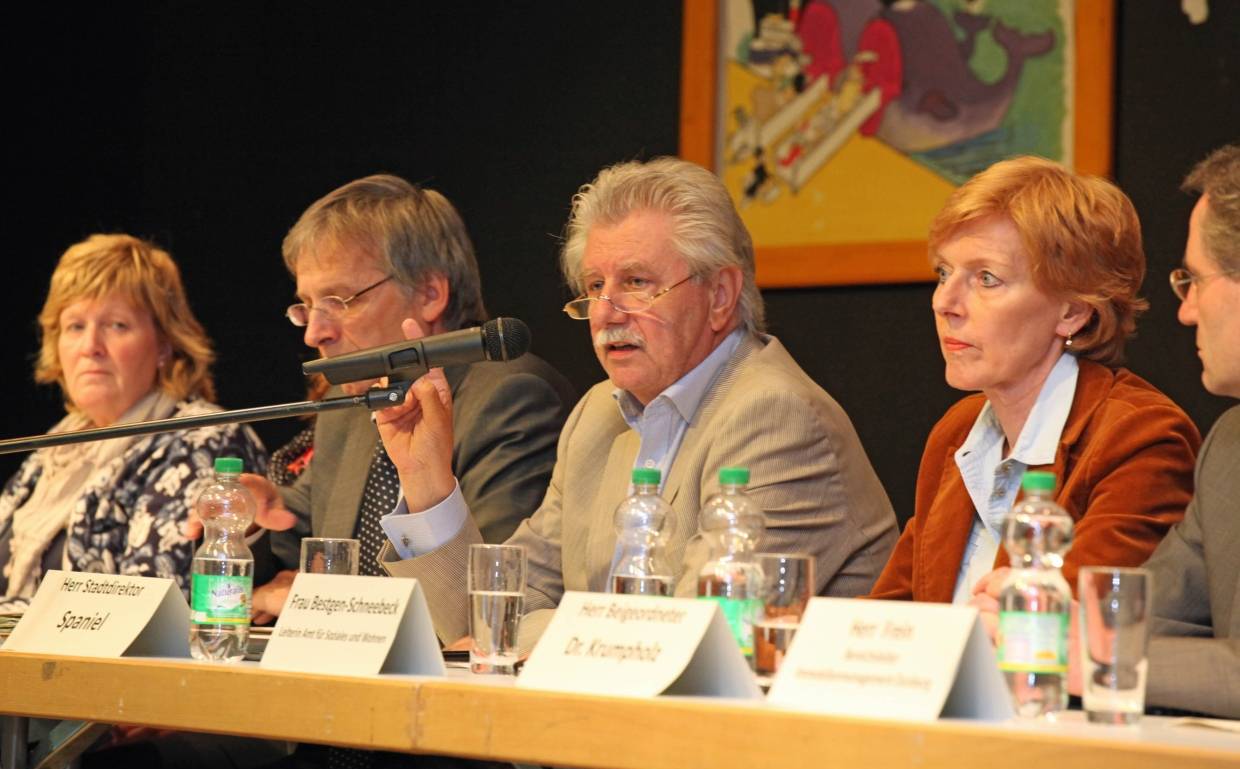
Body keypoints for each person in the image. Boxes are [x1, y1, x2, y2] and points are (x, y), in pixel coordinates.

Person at [373, 156, 900, 650]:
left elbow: (695, 641)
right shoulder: (599, 414)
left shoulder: (776, 417)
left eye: (637, 283)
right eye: (595, 286)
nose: (606, 314)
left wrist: (523, 639)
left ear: (719, 296)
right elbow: (488, 616)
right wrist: (427, 482)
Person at [240, 175, 576, 622]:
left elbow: (490, 592)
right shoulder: (357, 394)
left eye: (339, 300)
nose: (315, 332)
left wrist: (321, 604)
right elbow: (297, 533)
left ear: (429, 294)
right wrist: (251, 518)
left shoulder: (513, 399)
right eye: (307, 304)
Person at [868, 156, 1200, 604]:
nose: (944, 302)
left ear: (1073, 311)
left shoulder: (1140, 439)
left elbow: (1072, 625)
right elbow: (889, 616)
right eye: (944, 273)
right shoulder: (957, 432)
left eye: (986, 279)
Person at [0, 234, 265, 611]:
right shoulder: (54, 449)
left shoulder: (204, 439)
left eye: (117, 326)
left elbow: (151, 604)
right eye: (75, 326)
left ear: (164, 344)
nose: (91, 345)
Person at [1137, 143, 1240, 718]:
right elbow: (1148, 618)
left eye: (1195, 281)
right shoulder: (1229, 445)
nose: (1185, 311)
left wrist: (1079, 650)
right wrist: (1035, 620)